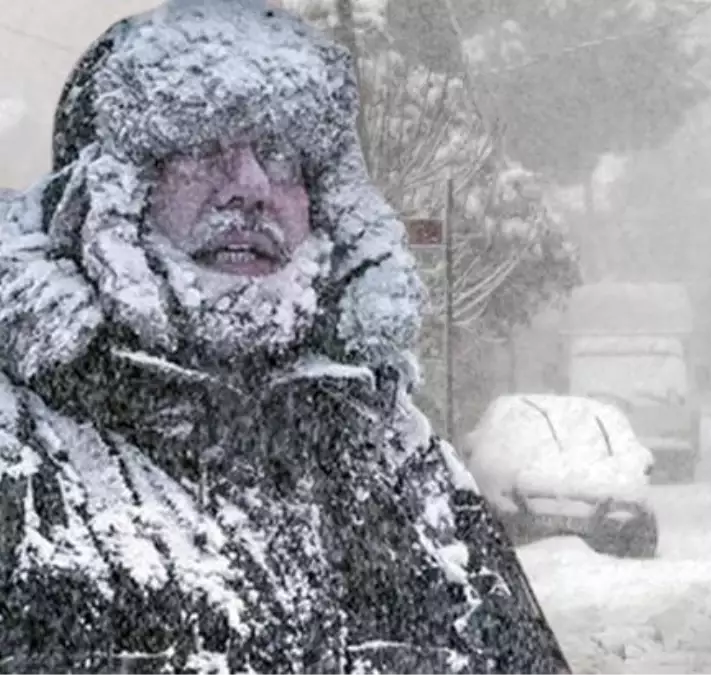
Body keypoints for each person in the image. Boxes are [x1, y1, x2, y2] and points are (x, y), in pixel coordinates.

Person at [0, 2, 569, 672]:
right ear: (108, 196)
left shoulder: (396, 454)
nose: (250, 186)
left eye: (280, 153)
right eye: (200, 148)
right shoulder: (21, 461)